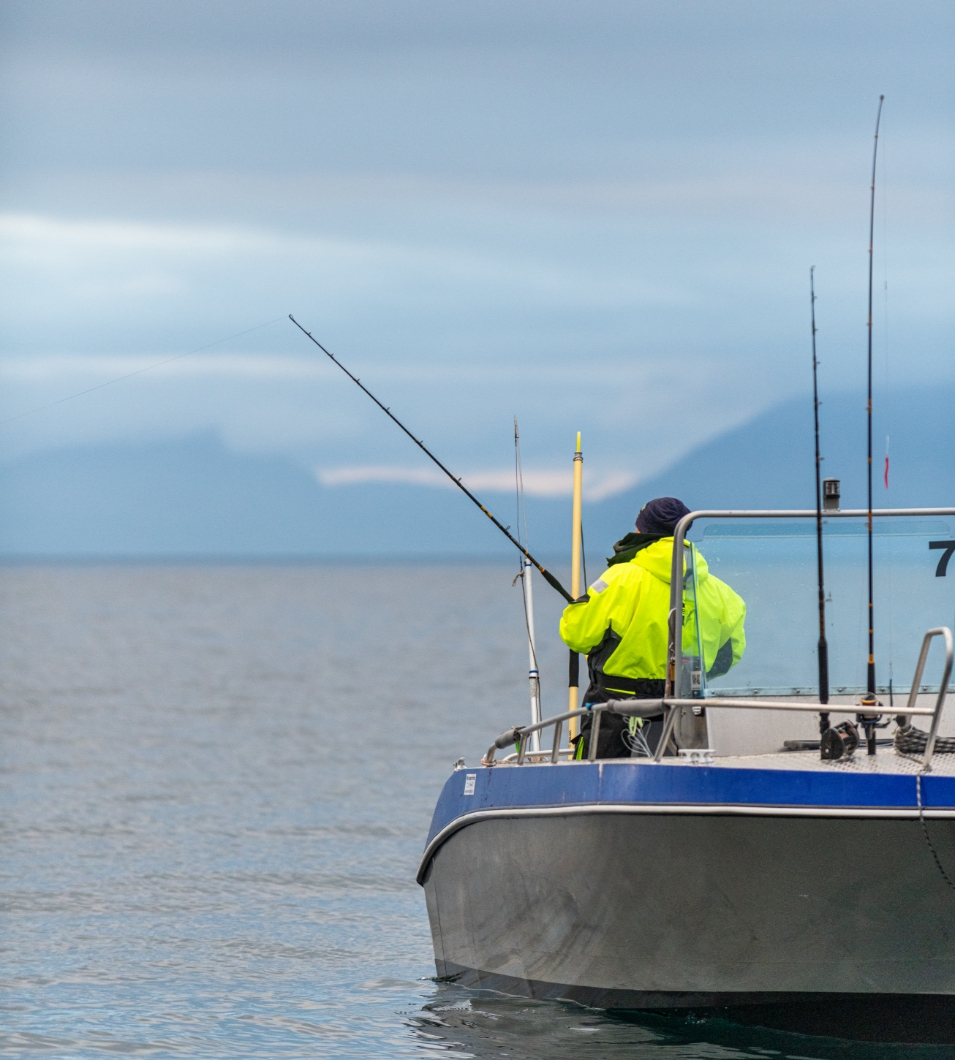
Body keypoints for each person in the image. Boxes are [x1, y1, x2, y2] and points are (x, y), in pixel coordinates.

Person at [560, 497, 746, 759]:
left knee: (600, 780)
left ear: (642, 531)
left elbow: (577, 636)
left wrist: (578, 607)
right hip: (685, 710)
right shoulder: (721, 592)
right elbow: (728, 657)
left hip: (615, 709)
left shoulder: (620, 577)